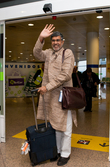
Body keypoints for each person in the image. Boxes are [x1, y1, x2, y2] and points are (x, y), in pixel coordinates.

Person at [33, 24, 76, 166]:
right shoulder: (48, 53)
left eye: (58, 40)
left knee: (66, 126)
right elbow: (36, 54)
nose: (55, 43)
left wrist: (47, 87)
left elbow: (65, 75)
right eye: (53, 40)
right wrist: (40, 37)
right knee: (55, 125)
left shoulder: (67, 53)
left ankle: (65, 153)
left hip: (64, 96)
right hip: (51, 96)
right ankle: (57, 151)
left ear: (62, 42)